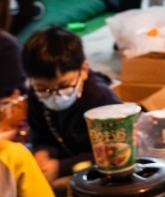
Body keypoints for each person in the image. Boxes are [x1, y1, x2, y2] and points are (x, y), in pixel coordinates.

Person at [23, 26, 120, 182]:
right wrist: (43, 153)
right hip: (64, 157)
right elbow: (41, 134)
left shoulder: (100, 98)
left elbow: (116, 152)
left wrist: (61, 167)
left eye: (64, 86)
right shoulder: (35, 94)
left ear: (83, 69)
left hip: (98, 165)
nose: (55, 95)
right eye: (44, 89)